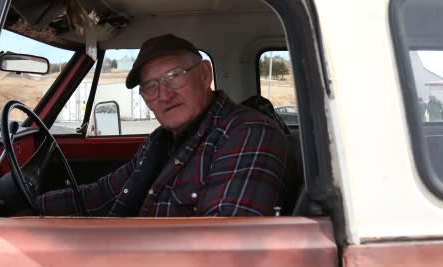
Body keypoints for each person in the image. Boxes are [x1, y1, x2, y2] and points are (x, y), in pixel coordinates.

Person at [37, 33, 288, 217]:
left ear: (204, 74)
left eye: (174, 76)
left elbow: (224, 248)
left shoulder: (247, 133)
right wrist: (34, 207)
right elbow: (104, 194)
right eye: (150, 86)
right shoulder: (160, 141)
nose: (164, 95)